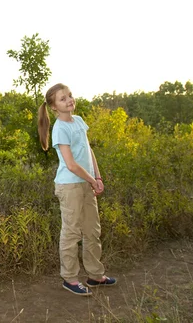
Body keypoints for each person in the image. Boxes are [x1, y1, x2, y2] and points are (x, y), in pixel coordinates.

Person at [37, 83, 117, 296]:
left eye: (69, 95)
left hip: (86, 182)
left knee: (92, 230)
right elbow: (71, 164)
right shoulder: (60, 128)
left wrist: (97, 177)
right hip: (70, 186)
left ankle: (95, 275)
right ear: (54, 107)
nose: (69, 100)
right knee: (72, 232)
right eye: (62, 99)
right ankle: (70, 279)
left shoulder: (79, 121)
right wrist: (92, 180)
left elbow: (89, 151)